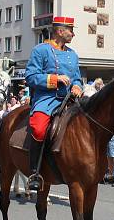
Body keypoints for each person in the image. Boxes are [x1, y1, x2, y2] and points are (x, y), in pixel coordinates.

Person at [24, 16, 83, 191]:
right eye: (70, 30)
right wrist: (54, 79)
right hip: (47, 99)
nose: (73, 33)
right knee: (39, 128)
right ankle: (35, 172)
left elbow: (77, 77)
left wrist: (78, 86)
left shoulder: (73, 54)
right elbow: (30, 76)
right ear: (59, 31)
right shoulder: (40, 50)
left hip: (70, 100)